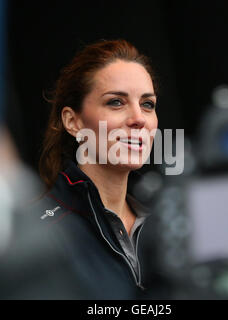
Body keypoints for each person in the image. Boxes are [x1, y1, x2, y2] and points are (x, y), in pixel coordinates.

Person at [24, 39, 159, 299]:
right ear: (73, 122)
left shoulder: (167, 222)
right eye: (116, 102)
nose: (138, 118)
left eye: (147, 104)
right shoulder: (41, 233)